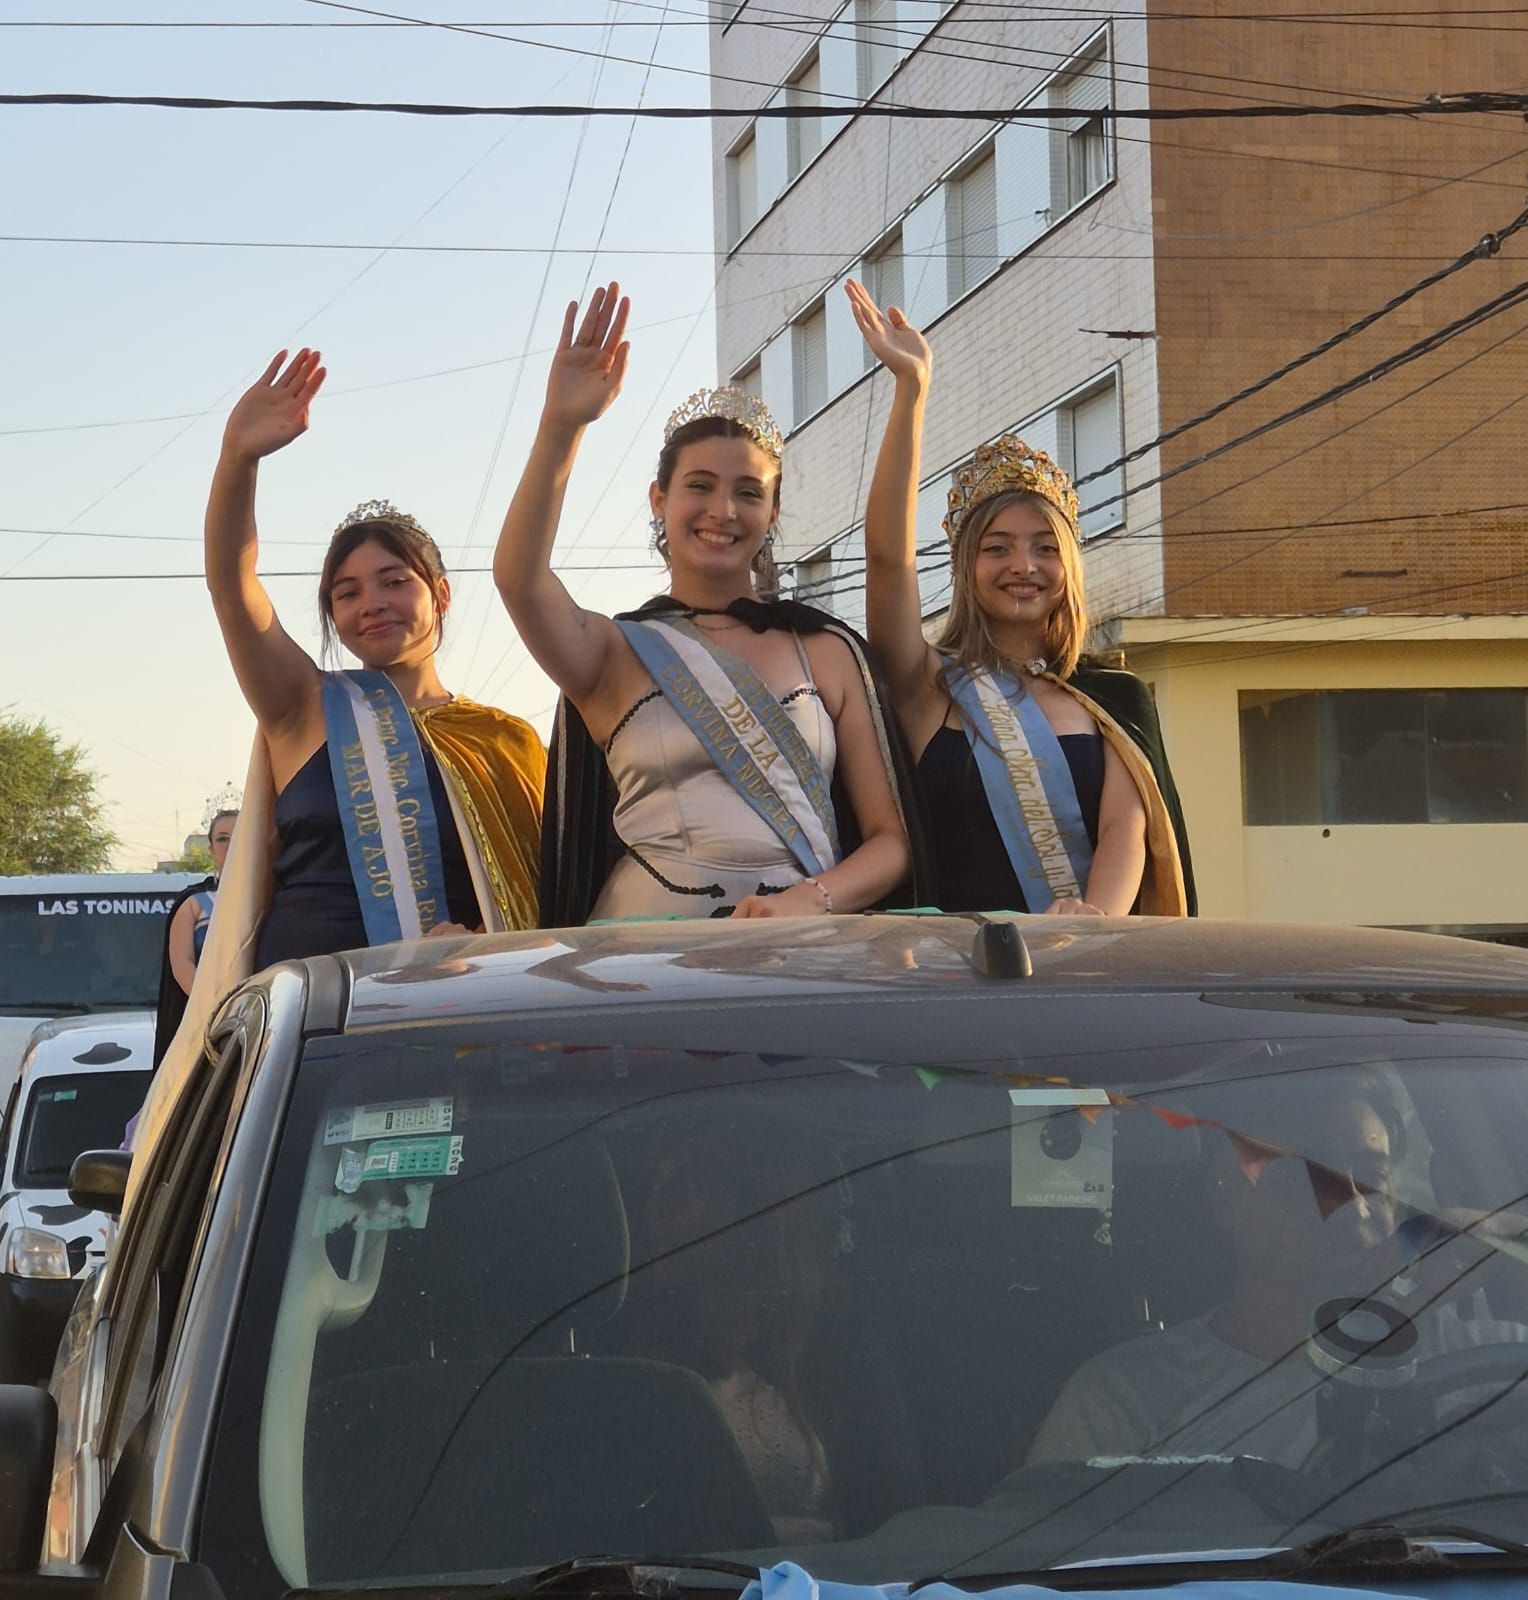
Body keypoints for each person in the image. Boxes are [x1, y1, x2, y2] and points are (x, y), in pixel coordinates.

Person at [494, 283, 932, 924]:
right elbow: (519, 578)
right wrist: (562, 427)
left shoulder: (827, 652)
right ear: (658, 500)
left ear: (773, 510)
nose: (723, 511)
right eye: (699, 486)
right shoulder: (614, 653)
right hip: (643, 958)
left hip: (794, 949)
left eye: (749, 493)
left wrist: (812, 899)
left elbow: (892, 842)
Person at [846, 281, 1194, 917]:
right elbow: (888, 562)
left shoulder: (1114, 699)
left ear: (1069, 564)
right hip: (948, 979)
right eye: (997, 547)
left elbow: (1126, 831)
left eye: (1043, 547)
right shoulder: (927, 687)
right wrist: (911, 394)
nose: (1022, 566)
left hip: (1077, 974)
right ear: (964, 565)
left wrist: (1094, 923)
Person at [1028, 1072, 1528, 1469]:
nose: (1353, 1210)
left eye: (1372, 1176)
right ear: (1226, 1198)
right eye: (1310, 1176)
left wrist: (1506, 1240)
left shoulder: (1490, 1359)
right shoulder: (1126, 1403)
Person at [151, 807, 238, 1067]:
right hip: (209, 1023)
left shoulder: (275, 897)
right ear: (211, 849)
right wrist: (216, 1009)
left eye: (240, 835)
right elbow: (182, 965)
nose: (231, 845)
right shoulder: (193, 903)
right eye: (223, 838)